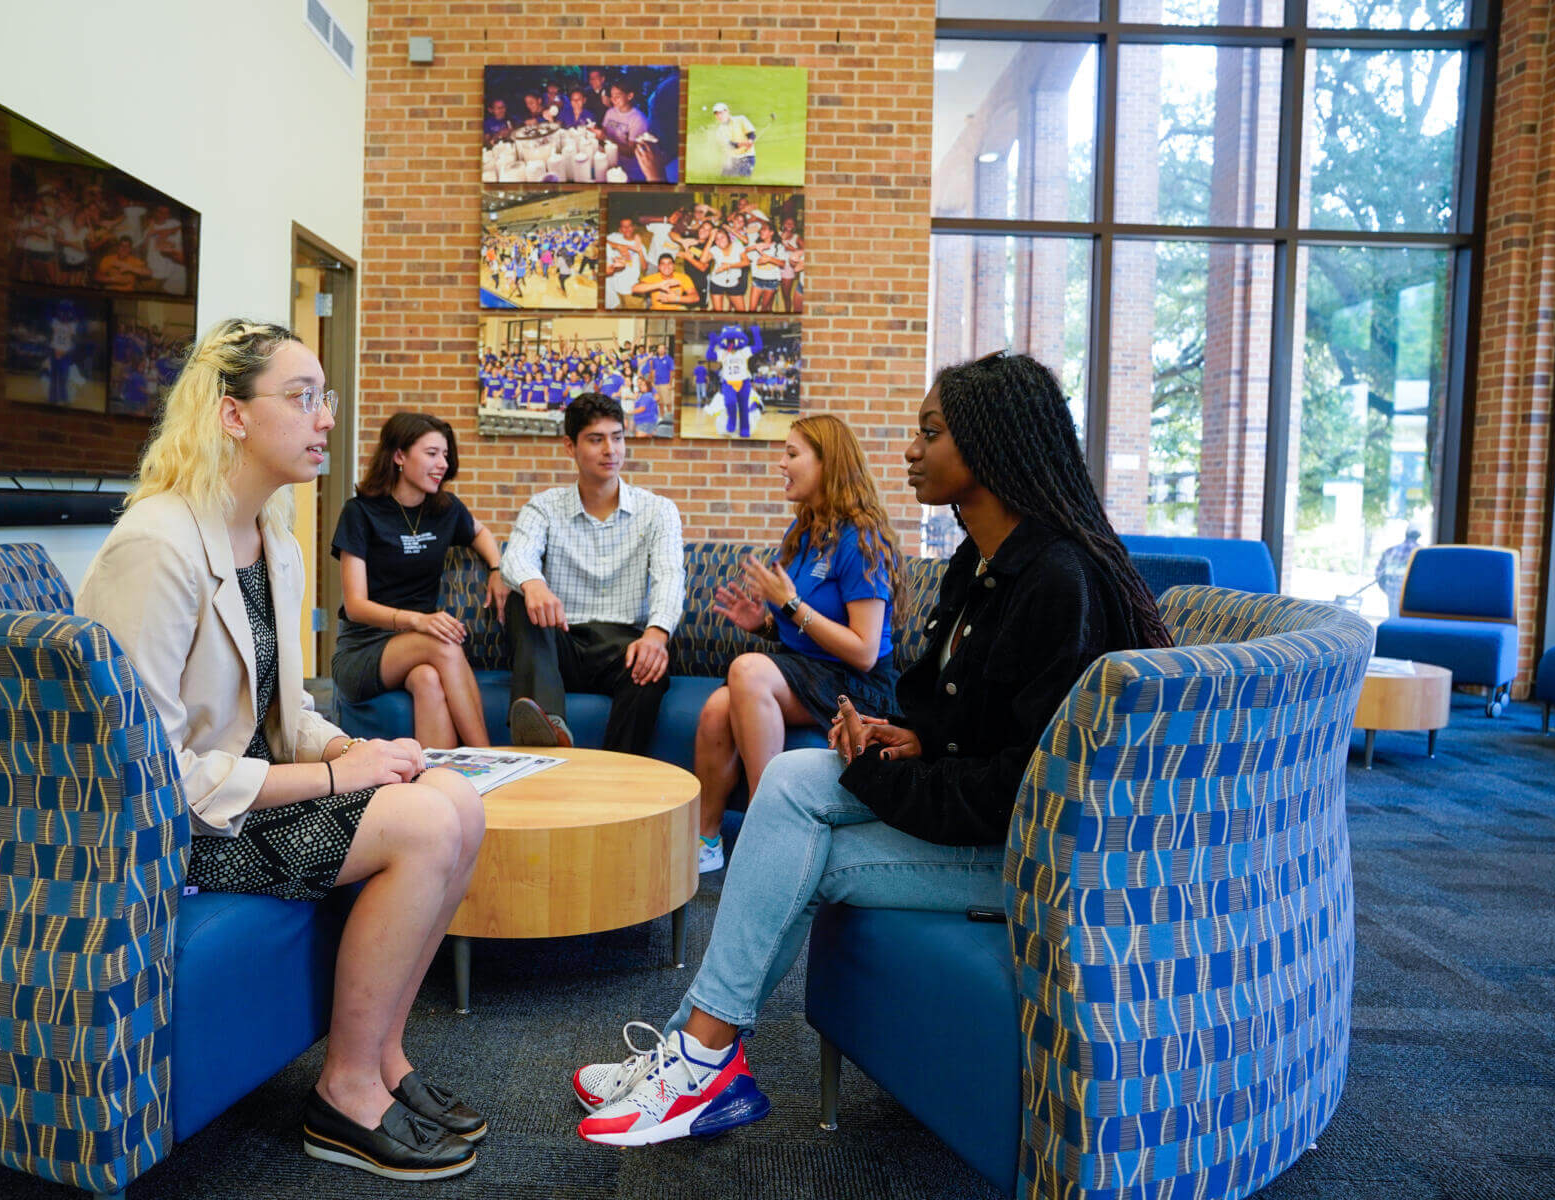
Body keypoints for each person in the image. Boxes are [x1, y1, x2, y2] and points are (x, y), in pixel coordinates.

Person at [567, 351, 1172, 1147]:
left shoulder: (1061, 581)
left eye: (930, 433)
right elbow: (955, 711)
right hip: (978, 806)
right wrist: (909, 736)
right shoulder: (979, 562)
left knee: (804, 853)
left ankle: (700, 1057)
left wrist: (872, 770)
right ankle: (698, 1050)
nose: (910, 450)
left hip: (1027, 850)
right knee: (786, 778)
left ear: (988, 444)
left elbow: (1015, 789)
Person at [76, 320, 486, 1180]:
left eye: (323, 399)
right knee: (419, 827)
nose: (326, 418)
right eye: (302, 398)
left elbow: (284, 707)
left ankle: (385, 1058)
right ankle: (343, 1093)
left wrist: (356, 746)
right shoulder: (156, 544)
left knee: (457, 801)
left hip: (239, 796)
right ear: (230, 415)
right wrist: (339, 775)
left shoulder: (277, 537)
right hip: (178, 835)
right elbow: (143, 772)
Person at [692, 415, 901, 873]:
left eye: (791, 454)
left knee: (748, 671)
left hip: (859, 683)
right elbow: (799, 627)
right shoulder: (802, 533)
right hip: (806, 671)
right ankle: (707, 840)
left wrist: (789, 606)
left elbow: (865, 650)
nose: (780, 464)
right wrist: (765, 624)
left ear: (828, 464)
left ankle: (769, 828)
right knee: (715, 708)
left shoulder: (861, 540)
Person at [500, 393, 684, 753]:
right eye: (596, 439)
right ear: (570, 447)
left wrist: (657, 635)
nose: (610, 450)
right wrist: (533, 583)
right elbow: (516, 556)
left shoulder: (658, 510)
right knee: (520, 600)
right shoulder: (544, 506)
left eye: (617, 437)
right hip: (560, 644)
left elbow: (670, 576)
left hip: (622, 646)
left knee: (650, 660)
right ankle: (547, 729)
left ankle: (619, 774)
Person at [332, 412, 510, 749]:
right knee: (442, 643)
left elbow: (480, 532)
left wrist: (497, 569)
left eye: (445, 454)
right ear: (399, 455)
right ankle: (487, 758)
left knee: (428, 679)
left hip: (420, 644)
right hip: (364, 648)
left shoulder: (445, 509)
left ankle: (436, 783)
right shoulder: (360, 513)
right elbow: (355, 606)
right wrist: (419, 621)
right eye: (431, 453)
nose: (442, 463)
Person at [1375, 527, 1422, 617]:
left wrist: (1388, 589)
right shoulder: (1421, 552)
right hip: (1415, 596)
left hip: (1392, 592)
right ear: (1418, 536)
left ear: (1406, 534)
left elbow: (1379, 575)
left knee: (1394, 619)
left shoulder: (1390, 551)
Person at [709, 102, 758, 178]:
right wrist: (744, 144)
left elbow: (751, 134)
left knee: (742, 179)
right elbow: (730, 145)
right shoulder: (719, 131)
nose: (719, 116)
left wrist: (750, 141)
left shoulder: (741, 119)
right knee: (724, 180)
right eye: (717, 114)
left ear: (727, 111)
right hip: (732, 159)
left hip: (747, 157)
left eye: (721, 113)